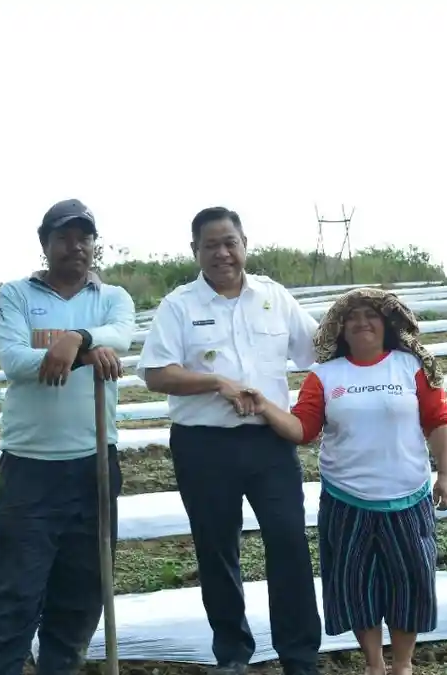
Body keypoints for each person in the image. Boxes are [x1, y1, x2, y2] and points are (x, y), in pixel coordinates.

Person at [135, 206, 322, 675]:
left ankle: (299, 656)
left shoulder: (273, 298)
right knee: (216, 549)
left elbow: (317, 352)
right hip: (203, 446)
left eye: (229, 242)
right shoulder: (180, 306)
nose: (222, 253)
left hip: (269, 445)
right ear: (195, 250)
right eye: (210, 245)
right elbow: (157, 373)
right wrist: (217, 383)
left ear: (244, 243)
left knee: (289, 543)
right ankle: (233, 653)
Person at [243, 287, 447, 675]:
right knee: (356, 585)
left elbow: (438, 420)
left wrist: (445, 475)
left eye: (370, 315)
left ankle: (403, 665)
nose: (361, 323)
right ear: (340, 330)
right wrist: (265, 407)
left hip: (407, 495)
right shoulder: (325, 375)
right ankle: (374, 664)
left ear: (386, 324)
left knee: (410, 582)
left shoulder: (411, 367)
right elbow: (304, 428)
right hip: (347, 499)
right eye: (352, 317)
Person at [0, 198, 137, 675]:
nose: (76, 246)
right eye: (64, 237)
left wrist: (75, 340)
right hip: (30, 468)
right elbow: (16, 361)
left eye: (84, 237)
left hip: (93, 466)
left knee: (82, 591)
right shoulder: (16, 295)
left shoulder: (112, 298)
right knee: (14, 593)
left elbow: (122, 335)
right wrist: (85, 351)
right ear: (45, 244)